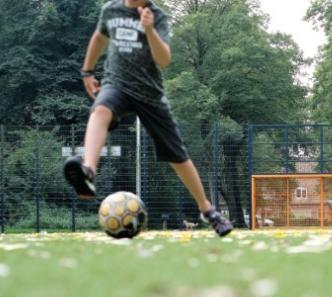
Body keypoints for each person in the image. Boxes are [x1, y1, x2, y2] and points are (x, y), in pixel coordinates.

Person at [63, 0, 233, 237]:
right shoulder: (110, 10)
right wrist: (87, 71)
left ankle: (208, 210)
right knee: (100, 110)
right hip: (116, 85)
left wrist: (150, 29)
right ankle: (89, 171)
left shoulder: (157, 16)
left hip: (149, 94)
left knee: (178, 155)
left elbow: (164, 60)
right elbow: (99, 39)